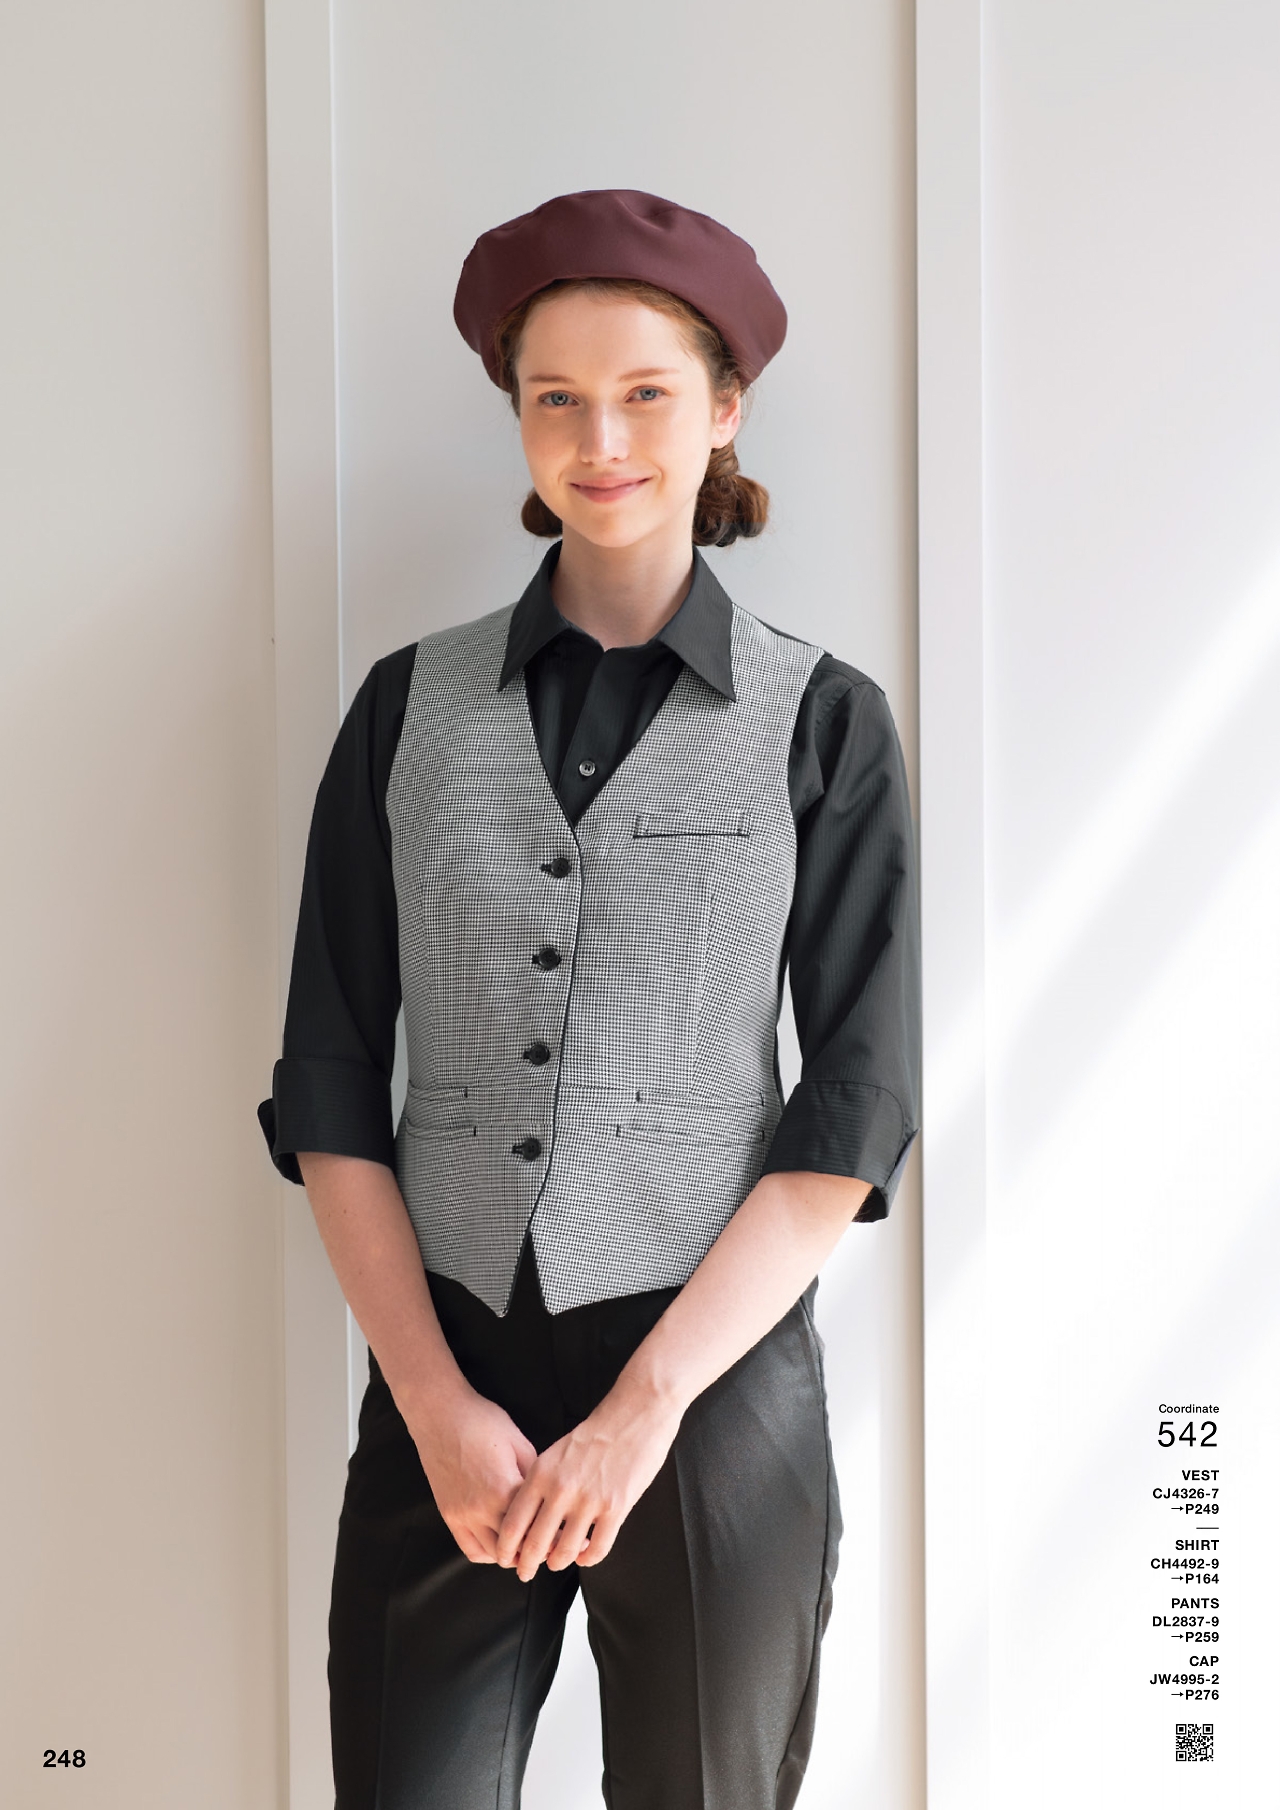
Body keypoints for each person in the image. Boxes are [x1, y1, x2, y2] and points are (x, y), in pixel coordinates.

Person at [258, 188, 921, 1810]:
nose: (599, 438)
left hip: (707, 1391)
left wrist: (644, 1412)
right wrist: (431, 1402)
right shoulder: (403, 711)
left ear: (724, 408)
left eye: (644, 393)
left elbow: (852, 1110)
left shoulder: (825, 722)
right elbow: (331, 1080)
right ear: (518, 415)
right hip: (449, 1368)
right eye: (555, 396)